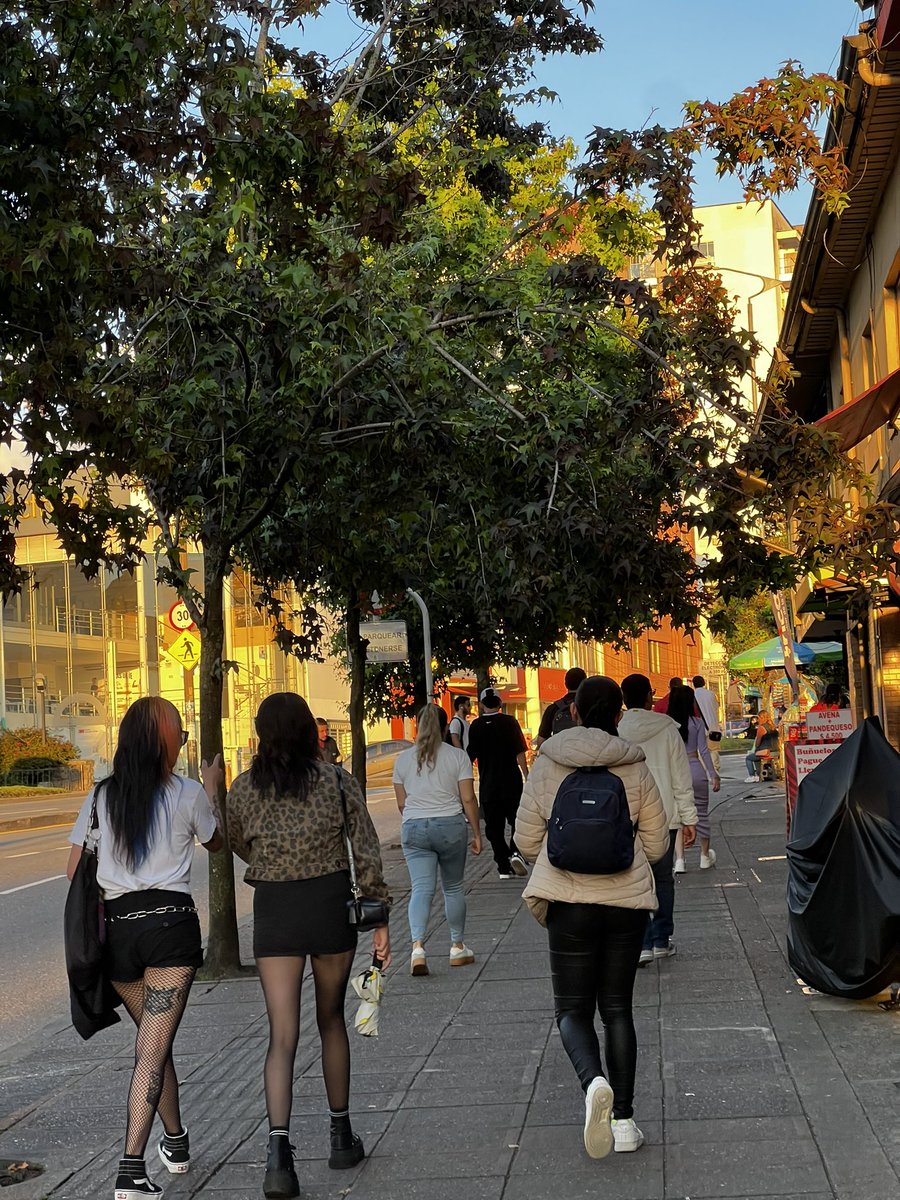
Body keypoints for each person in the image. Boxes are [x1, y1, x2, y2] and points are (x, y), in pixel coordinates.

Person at [224, 693, 391, 1199]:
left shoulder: (244, 788)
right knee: (331, 1019)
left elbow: (235, 841)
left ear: (261, 734)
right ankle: (341, 1137)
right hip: (328, 903)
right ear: (308, 732)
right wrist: (379, 915)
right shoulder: (336, 782)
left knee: (282, 1036)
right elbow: (365, 848)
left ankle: (278, 1157)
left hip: (274, 911)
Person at [67, 697, 223, 1200]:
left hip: (119, 937)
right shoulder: (188, 793)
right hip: (169, 931)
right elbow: (218, 844)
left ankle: (174, 1142)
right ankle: (131, 1168)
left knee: (156, 1044)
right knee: (151, 1052)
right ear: (159, 741)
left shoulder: (99, 798)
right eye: (177, 730)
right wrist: (215, 791)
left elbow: (74, 873)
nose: (183, 738)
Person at [514, 676, 668, 1157]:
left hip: (567, 905)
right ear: (618, 716)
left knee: (571, 1011)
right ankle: (623, 1121)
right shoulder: (634, 767)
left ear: (574, 712)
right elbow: (659, 844)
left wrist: (561, 858)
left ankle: (593, 1081)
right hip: (624, 905)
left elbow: (524, 838)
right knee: (618, 1008)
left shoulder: (548, 764)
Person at [393, 705, 483, 976]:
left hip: (414, 827)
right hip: (450, 826)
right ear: (446, 728)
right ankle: (457, 947)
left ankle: (418, 948)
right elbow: (468, 798)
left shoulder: (403, 760)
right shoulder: (457, 757)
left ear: (417, 726)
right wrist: (477, 833)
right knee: (453, 887)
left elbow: (401, 803)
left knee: (421, 888)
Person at [618, 674, 698, 963]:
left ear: (623, 699)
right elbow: (681, 778)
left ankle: (641, 942)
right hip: (665, 815)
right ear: (650, 697)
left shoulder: (616, 731)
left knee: (633, 879)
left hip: (629, 816)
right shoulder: (668, 731)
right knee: (663, 878)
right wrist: (690, 818)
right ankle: (661, 939)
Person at [467, 687, 529, 879]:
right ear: (500, 704)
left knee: (494, 829)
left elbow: (470, 756)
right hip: (512, 783)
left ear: (482, 705)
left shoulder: (476, 726)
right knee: (517, 823)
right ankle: (515, 853)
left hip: (489, 786)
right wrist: (527, 775)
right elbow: (520, 753)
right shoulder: (510, 722)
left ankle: (503, 865)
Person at [668, 686, 720, 869]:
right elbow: (704, 751)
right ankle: (704, 857)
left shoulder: (667, 725)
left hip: (676, 773)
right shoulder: (697, 722)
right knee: (702, 814)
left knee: (678, 815)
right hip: (696, 769)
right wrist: (713, 775)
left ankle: (680, 860)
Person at [534, 667, 588, 750]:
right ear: (585, 683)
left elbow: (541, 741)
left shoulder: (554, 708)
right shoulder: (592, 707)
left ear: (565, 684)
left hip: (561, 757)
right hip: (588, 756)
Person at [692, 675, 723, 772]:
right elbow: (716, 708)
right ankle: (715, 769)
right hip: (713, 727)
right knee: (713, 750)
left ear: (693, 684)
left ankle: (703, 769)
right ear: (704, 683)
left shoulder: (693, 695)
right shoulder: (711, 694)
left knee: (701, 750)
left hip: (699, 727)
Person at [745, 710, 777, 782]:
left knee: (749, 758)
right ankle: (759, 774)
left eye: (758, 718)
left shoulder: (762, 728)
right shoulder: (773, 726)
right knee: (756, 755)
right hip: (775, 751)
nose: (758, 720)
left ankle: (752, 775)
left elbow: (757, 743)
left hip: (766, 751)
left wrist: (757, 746)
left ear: (762, 718)